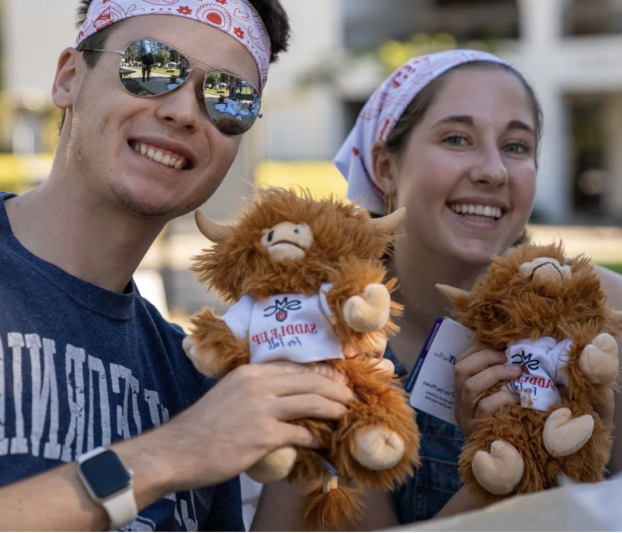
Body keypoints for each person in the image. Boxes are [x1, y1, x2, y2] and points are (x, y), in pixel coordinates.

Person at [0, 1, 361, 531]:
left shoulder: (192, 377)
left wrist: (312, 405)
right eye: (150, 66)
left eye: (229, 96)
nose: (183, 112)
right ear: (68, 78)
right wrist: (165, 457)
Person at [252, 49, 622, 530]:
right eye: (456, 138)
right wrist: (500, 472)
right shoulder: (327, 340)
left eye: (516, 146)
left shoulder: (604, 314)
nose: (494, 170)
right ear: (385, 167)